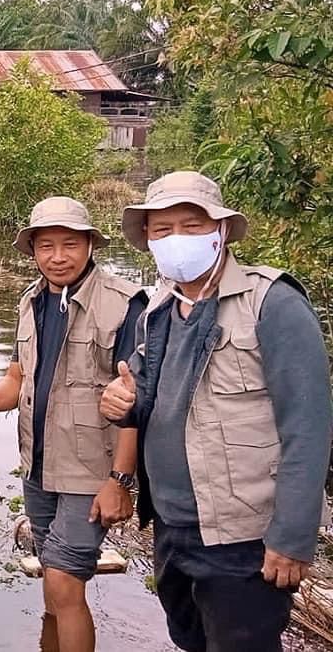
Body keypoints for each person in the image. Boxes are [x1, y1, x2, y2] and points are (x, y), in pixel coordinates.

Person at [100, 171, 333, 652]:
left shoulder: (271, 303)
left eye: (191, 226)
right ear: (147, 240)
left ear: (222, 231)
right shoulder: (158, 310)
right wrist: (124, 404)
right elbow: (151, 399)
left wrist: (291, 537)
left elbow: (308, 429)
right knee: (191, 640)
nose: (176, 240)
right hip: (171, 525)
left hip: (243, 534)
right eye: (162, 231)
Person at [0, 196, 147, 652]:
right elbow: (17, 377)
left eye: (70, 244)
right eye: (46, 246)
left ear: (90, 245)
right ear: (32, 250)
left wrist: (120, 481)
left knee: (65, 582)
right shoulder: (30, 301)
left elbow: (135, 402)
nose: (58, 256)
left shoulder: (125, 304)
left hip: (93, 471)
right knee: (52, 572)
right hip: (39, 465)